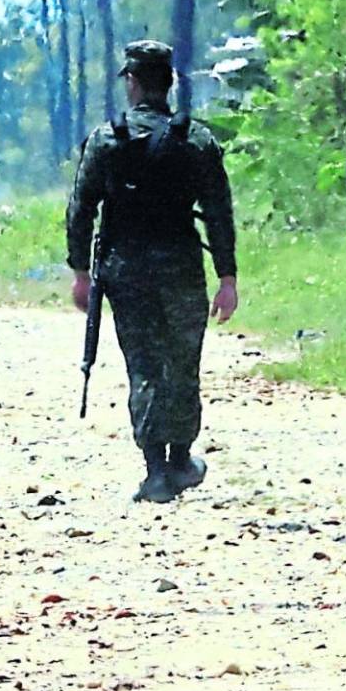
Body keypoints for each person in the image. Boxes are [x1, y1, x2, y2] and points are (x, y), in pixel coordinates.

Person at [66, 41, 240, 503]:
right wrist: (227, 277)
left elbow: (81, 209)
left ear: (133, 82)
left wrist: (80, 271)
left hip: (126, 270)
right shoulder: (196, 140)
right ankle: (181, 457)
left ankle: (156, 468)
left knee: (143, 365)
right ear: (171, 84)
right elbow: (219, 212)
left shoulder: (107, 139)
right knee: (183, 364)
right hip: (181, 266)